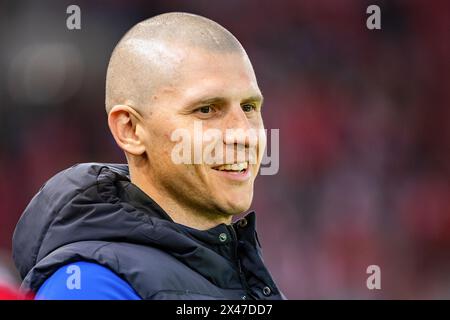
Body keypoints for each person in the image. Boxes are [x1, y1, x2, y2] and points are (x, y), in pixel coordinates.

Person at [12, 12, 284, 300]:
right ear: (130, 129)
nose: (242, 134)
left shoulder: (244, 272)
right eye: (206, 109)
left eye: (249, 107)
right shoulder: (91, 287)